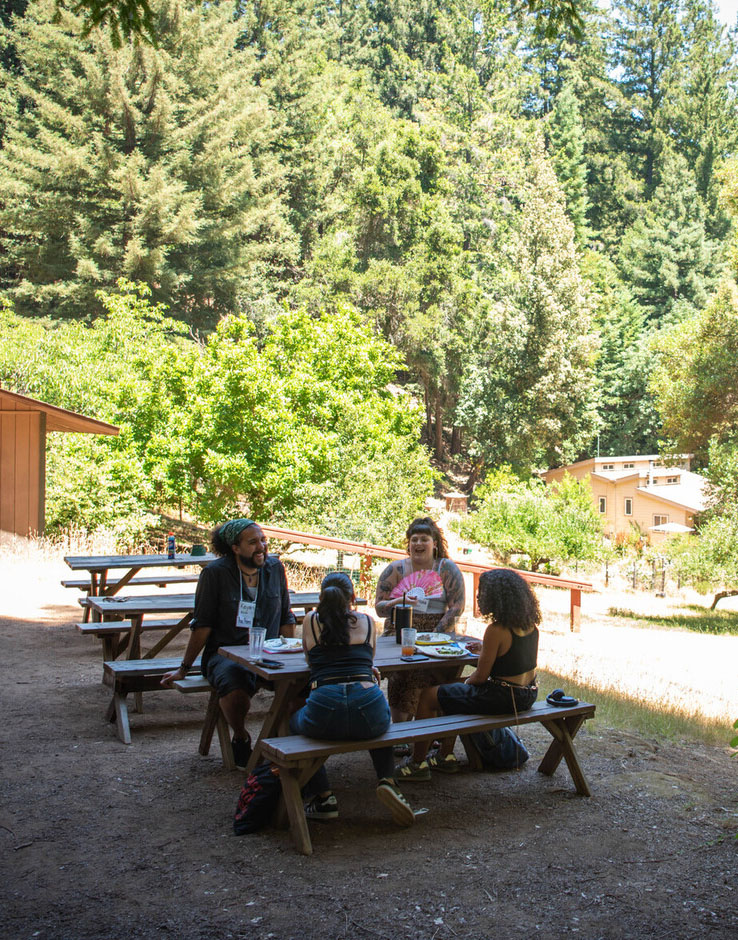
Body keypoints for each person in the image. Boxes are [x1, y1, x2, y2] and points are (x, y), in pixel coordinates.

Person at [161, 518, 296, 769]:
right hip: (225, 655)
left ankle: (281, 745)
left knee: (300, 685)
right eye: (253, 542)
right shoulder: (215, 574)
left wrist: (290, 650)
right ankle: (242, 737)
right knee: (235, 684)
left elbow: (287, 615)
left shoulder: (275, 568)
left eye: (263, 540)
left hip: (270, 651)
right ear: (235, 548)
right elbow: (202, 625)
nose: (262, 547)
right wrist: (184, 667)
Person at [290, 571, 416, 827]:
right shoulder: (367, 622)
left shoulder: (311, 621)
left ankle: (324, 795)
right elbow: (368, 661)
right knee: (380, 728)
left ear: (321, 597)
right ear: (353, 597)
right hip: (367, 704)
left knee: (291, 720)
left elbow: (309, 660)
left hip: (325, 708)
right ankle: (388, 781)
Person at [405, 568, 539, 773]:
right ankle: (444, 755)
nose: (479, 596)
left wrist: (465, 683)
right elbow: (513, 662)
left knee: (429, 695)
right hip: (526, 694)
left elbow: (479, 677)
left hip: (502, 697)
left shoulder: (496, 630)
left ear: (496, 597)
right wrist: (486, 652)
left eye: (482, 592)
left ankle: (417, 763)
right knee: (451, 691)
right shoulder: (531, 627)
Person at [374, 516, 466, 780]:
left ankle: (430, 734)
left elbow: (457, 606)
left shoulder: (447, 569)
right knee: (405, 675)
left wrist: (434, 637)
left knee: (439, 678)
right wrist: (397, 601)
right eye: (413, 539)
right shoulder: (395, 570)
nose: (418, 543)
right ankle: (403, 733)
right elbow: (379, 608)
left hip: (439, 633)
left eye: (424, 539)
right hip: (401, 630)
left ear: (434, 544)